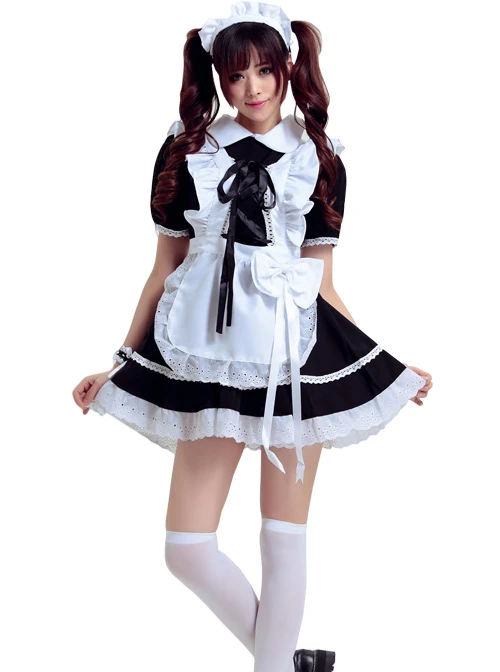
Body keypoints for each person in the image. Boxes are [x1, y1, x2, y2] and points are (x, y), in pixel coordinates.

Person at [72, 2, 433, 671]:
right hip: (205, 357)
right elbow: (165, 266)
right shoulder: (189, 149)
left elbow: (322, 283)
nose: (253, 88)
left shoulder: (319, 156)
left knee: (282, 538)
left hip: (294, 357)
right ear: (218, 77)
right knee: (186, 548)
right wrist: (118, 361)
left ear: (288, 68)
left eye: (266, 70)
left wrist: (384, 364)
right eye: (236, 75)